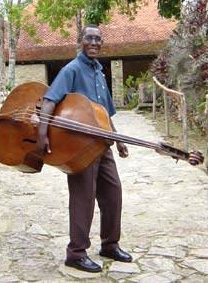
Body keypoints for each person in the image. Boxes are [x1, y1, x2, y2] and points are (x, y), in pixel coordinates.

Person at [36, 24, 132, 273]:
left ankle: (110, 245)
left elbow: (104, 112)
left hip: (102, 144)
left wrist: (118, 139)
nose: (94, 42)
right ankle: (76, 253)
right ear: (80, 41)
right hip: (79, 146)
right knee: (83, 198)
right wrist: (42, 134)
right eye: (89, 38)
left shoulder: (99, 73)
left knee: (113, 193)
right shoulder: (72, 70)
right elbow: (49, 101)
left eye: (98, 39)